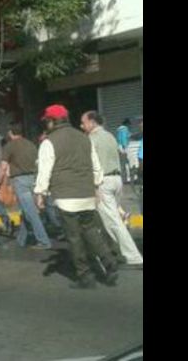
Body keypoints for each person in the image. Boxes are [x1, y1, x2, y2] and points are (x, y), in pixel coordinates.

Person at [34, 105, 119, 289]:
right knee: (90, 230)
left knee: (74, 237)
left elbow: (45, 170)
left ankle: (85, 275)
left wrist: (40, 193)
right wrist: (95, 186)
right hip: (86, 193)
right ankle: (109, 262)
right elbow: (96, 166)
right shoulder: (84, 138)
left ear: (52, 121)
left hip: (66, 196)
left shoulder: (49, 142)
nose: (46, 124)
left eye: (47, 121)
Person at [80, 111, 143, 269]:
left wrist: (94, 186)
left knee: (113, 222)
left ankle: (133, 256)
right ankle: (111, 249)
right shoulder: (109, 136)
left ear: (92, 122)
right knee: (105, 218)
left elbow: (91, 165)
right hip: (117, 180)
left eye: (84, 122)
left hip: (103, 182)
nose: (82, 126)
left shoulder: (91, 140)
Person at [0, 123, 52, 250]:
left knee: (30, 212)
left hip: (20, 180)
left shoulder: (9, 146)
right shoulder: (30, 144)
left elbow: (3, 167)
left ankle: (44, 240)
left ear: (10, 133)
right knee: (27, 210)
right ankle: (21, 239)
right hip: (33, 178)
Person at [116, 118, 132, 184]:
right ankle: (128, 179)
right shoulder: (124, 129)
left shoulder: (119, 129)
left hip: (119, 147)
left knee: (122, 163)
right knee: (127, 163)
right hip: (124, 147)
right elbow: (124, 139)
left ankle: (123, 178)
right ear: (127, 124)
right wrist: (125, 147)